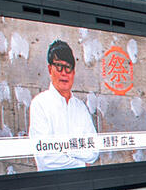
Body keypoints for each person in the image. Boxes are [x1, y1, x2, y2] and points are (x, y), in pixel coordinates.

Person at [27, 39, 100, 171]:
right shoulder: (40, 104)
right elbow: (46, 159)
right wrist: (81, 163)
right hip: (53, 184)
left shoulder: (80, 108)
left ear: (73, 72)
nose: (64, 73)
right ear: (50, 69)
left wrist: (63, 150)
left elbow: (93, 152)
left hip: (82, 184)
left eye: (68, 67)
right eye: (59, 66)